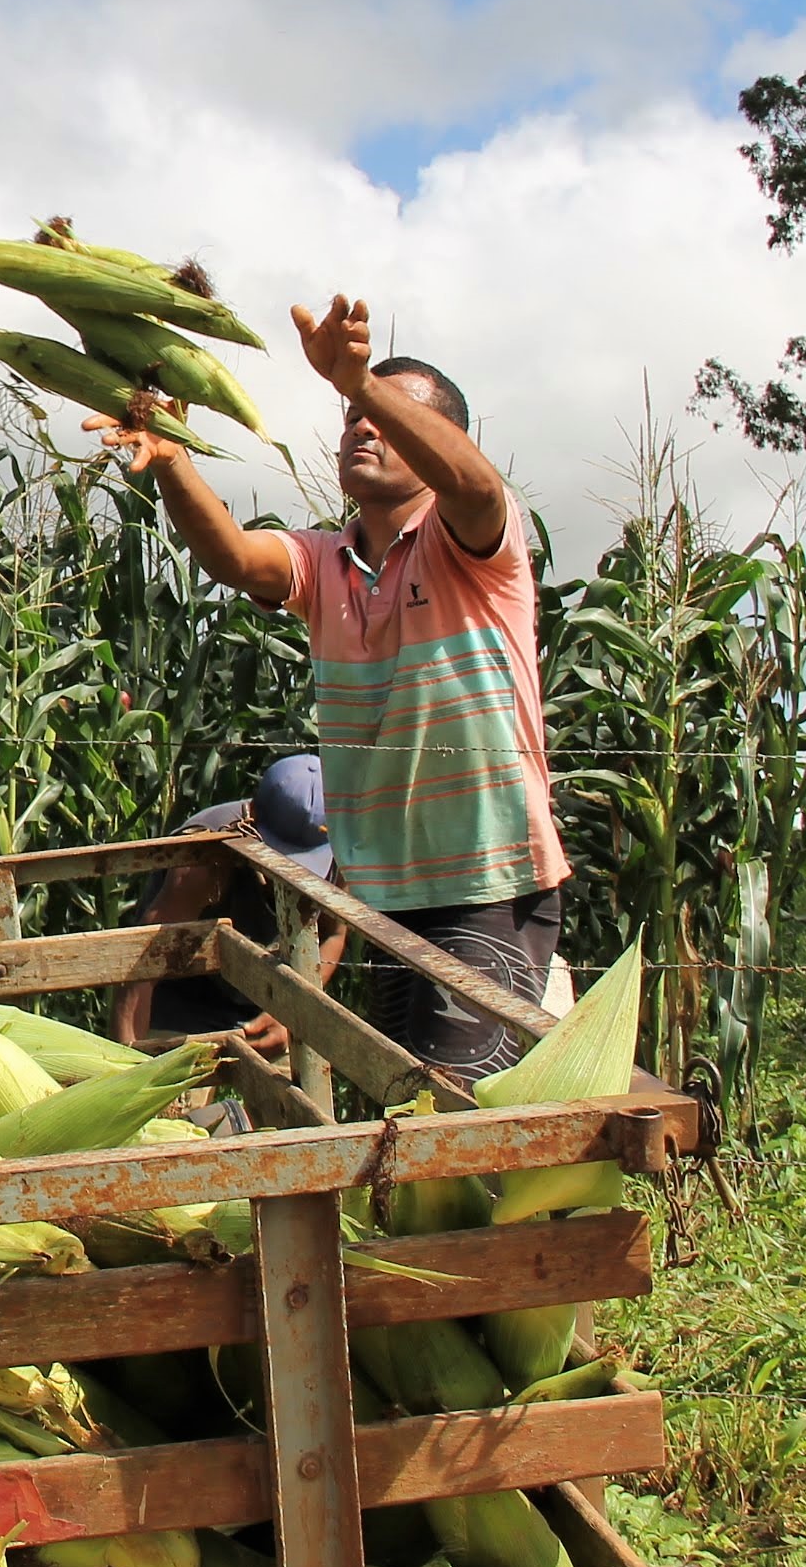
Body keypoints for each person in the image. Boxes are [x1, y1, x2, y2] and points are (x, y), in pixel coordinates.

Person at [91, 295, 570, 1078]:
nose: (363, 429)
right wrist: (173, 459)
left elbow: (477, 490)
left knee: (454, 1112)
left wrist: (358, 381)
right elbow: (240, 561)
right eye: (352, 420)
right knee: (400, 1100)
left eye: (386, 418)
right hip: (385, 893)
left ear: (440, 441)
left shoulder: (477, 549)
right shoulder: (325, 562)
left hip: (487, 876)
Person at [108, 753, 346, 1050]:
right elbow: (143, 968)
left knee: (295, 1087)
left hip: (268, 1001)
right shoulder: (204, 859)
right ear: (252, 818)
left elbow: (333, 936)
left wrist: (290, 1010)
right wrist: (128, 1067)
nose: (290, 877)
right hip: (185, 1000)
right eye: (279, 858)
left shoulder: (335, 855)